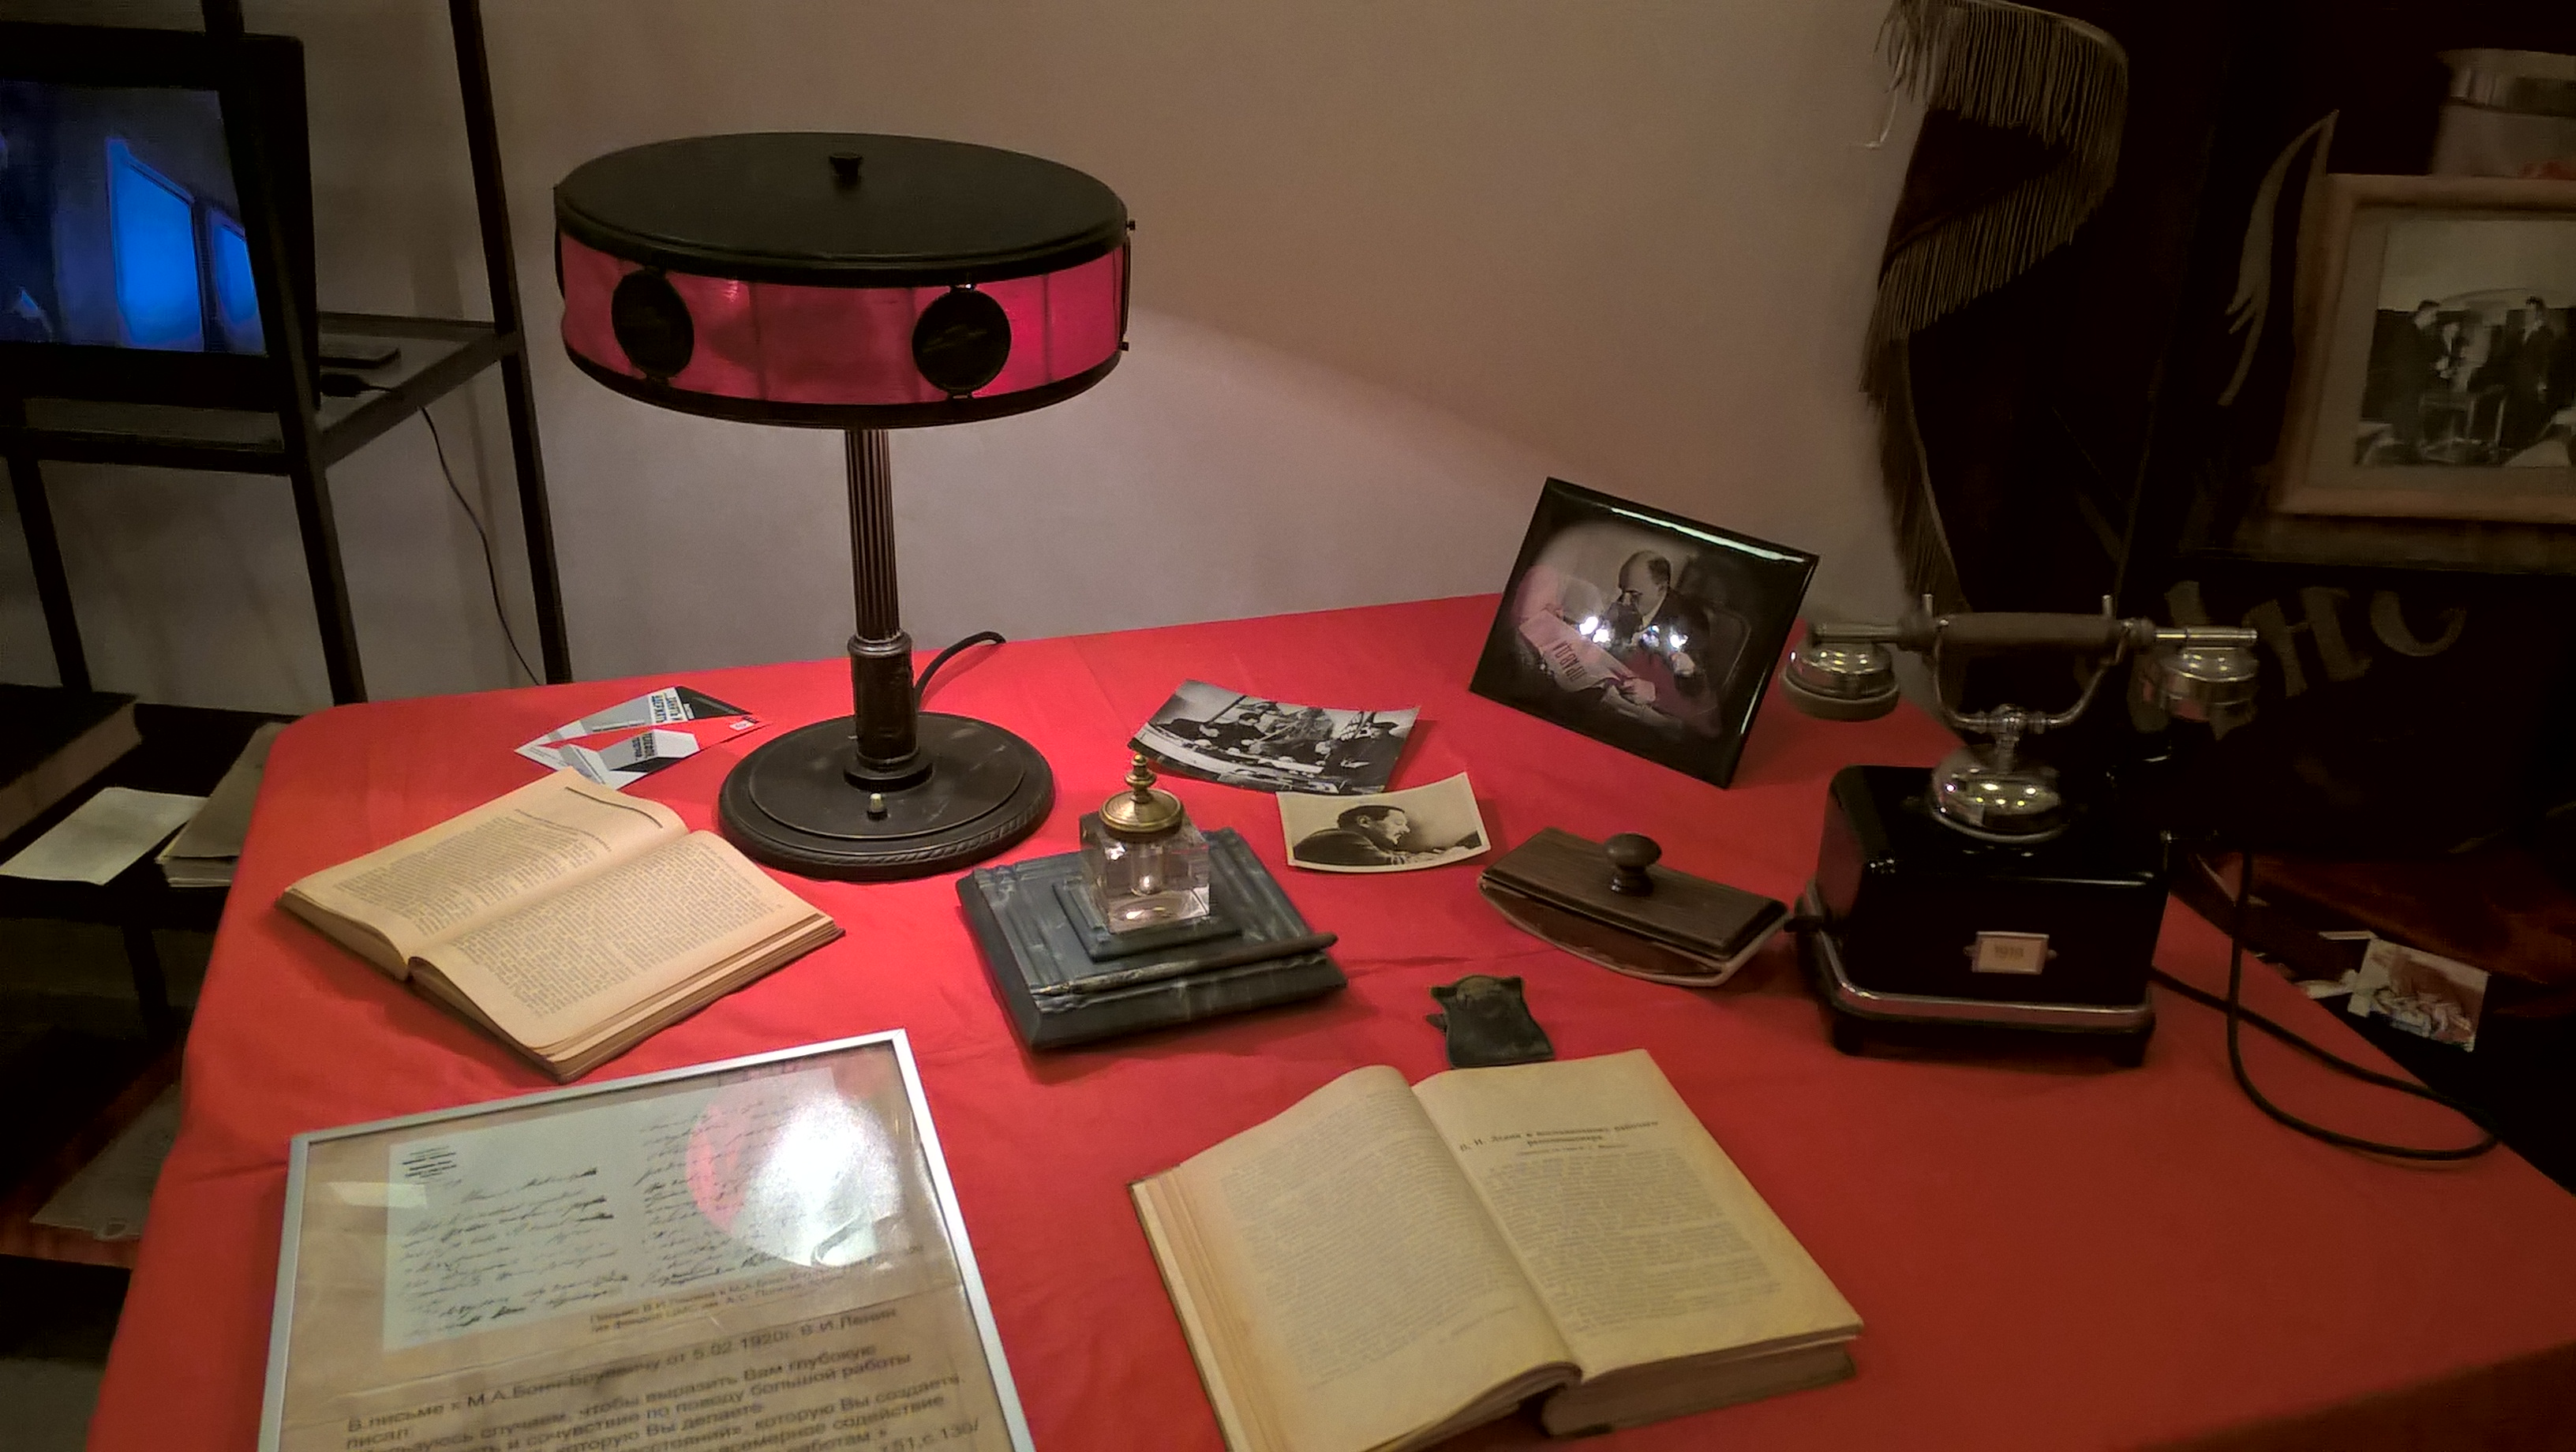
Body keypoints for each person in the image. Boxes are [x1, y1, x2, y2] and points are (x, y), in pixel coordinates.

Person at [1293, 804, 1417, 867]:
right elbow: (1391, 863)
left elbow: (1391, 854)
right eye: (1398, 823)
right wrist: (1423, 857)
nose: (1406, 830)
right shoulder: (1343, 838)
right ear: (1364, 822)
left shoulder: (1351, 841)